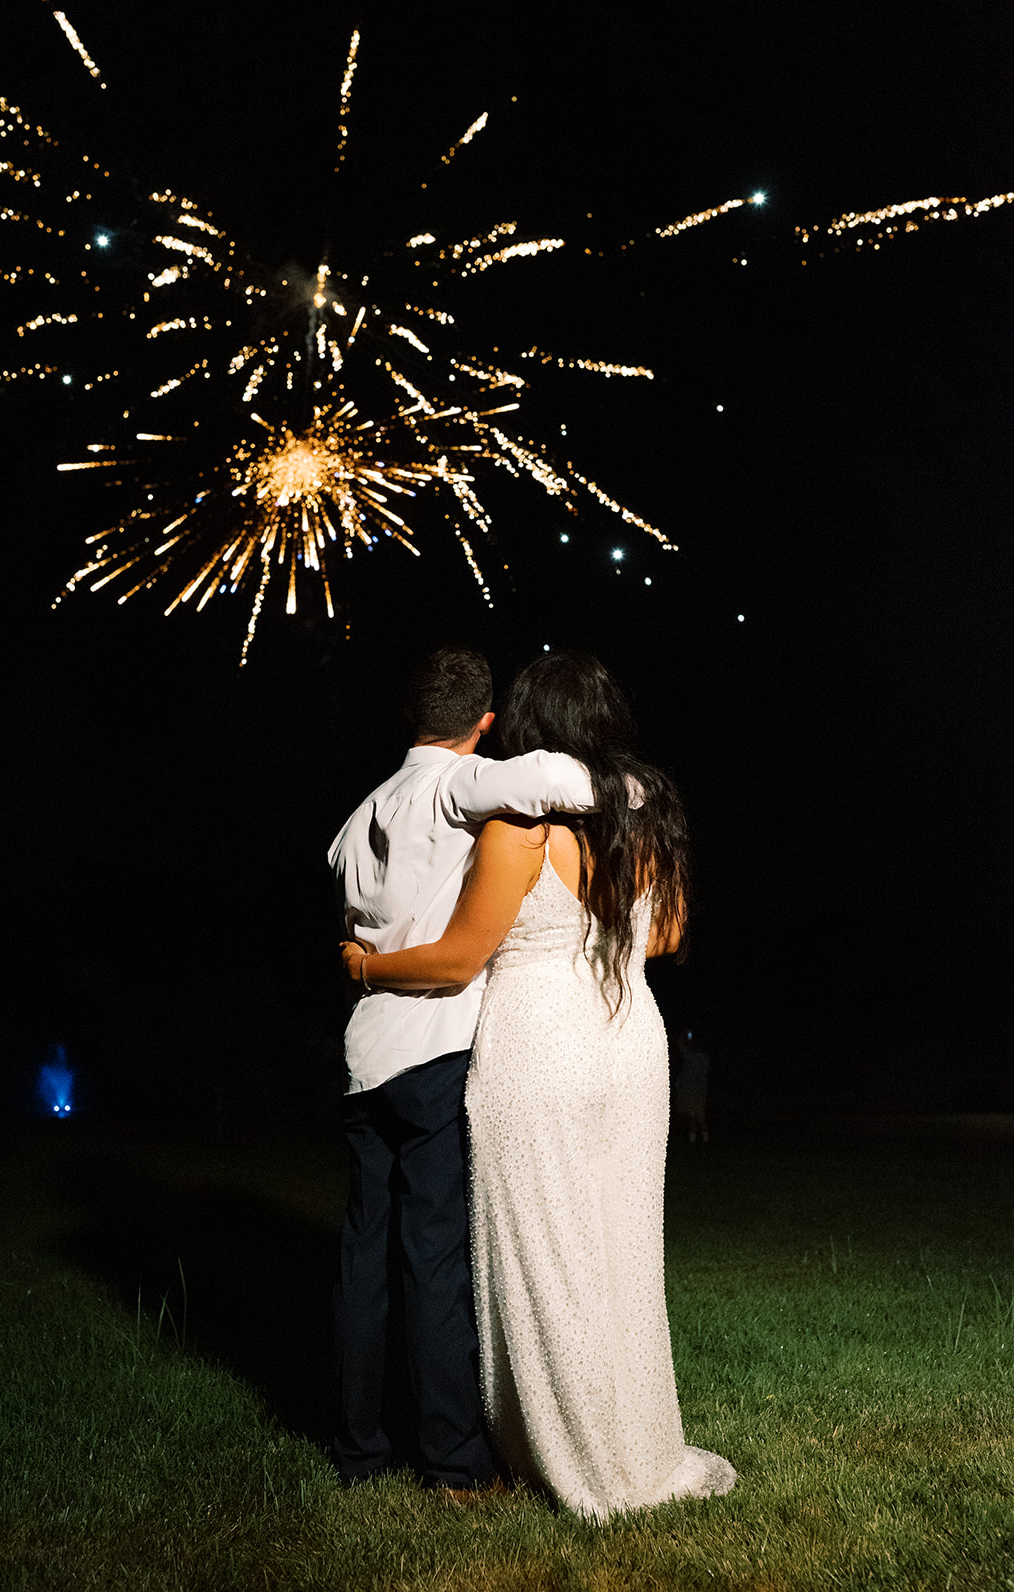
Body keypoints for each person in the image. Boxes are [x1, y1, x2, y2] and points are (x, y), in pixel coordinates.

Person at [341, 652, 736, 1519]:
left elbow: (460, 955)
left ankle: (566, 1448)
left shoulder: (517, 828)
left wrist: (367, 963)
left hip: (536, 1047)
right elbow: (663, 938)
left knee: (544, 1254)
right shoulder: (645, 815)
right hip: (628, 1040)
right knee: (618, 1249)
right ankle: (633, 1443)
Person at [327, 646, 594, 1497]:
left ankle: (360, 1452)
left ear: (409, 716)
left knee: (363, 1261)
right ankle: (451, 1462)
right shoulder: (456, 785)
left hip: (367, 1057)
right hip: (436, 1050)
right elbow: (569, 780)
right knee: (434, 1260)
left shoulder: (357, 817)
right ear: (483, 723)